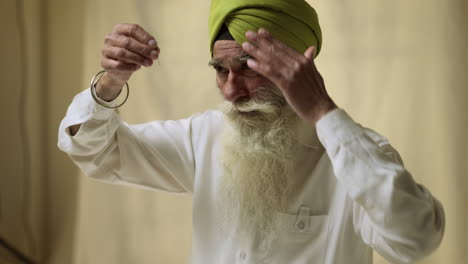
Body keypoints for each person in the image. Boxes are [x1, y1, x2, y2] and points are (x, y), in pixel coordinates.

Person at [58, 0, 445, 263]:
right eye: (220, 70)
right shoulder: (204, 137)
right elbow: (96, 151)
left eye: (250, 68)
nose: (231, 90)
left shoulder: (360, 154)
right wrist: (110, 82)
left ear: (297, 64)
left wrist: (323, 110)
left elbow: (416, 238)